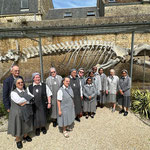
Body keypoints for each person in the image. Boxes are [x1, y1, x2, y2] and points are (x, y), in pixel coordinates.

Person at [8, 78, 33, 149]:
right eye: (18, 83)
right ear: (15, 84)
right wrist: (28, 98)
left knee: (26, 124)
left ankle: (25, 136)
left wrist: (25, 101)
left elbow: (32, 97)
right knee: (18, 126)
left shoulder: (25, 90)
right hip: (17, 112)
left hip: (25, 110)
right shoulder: (13, 93)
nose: (21, 84)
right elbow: (19, 101)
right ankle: (18, 140)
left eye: (22, 82)